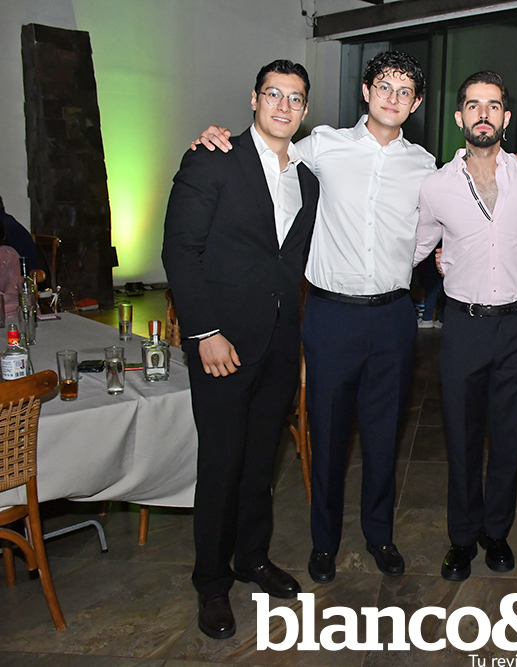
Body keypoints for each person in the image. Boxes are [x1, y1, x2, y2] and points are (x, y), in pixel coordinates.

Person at [194, 51, 437, 584]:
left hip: (394, 316)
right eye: (383, 86)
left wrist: (401, 263)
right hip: (330, 315)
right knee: (326, 435)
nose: (392, 98)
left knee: (384, 436)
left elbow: (430, 228)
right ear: (366, 92)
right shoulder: (323, 145)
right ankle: (324, 543)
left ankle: (380, 535)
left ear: (416, 103)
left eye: (404, 91)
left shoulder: (424, 165)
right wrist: (217, 137)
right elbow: (267, 153)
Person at [162, 59, 319, 640]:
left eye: (295, 98)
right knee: (221, 465)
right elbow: (180, 250)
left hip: (278, 342)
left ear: (305, 110)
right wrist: (204, 332)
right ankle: (211, 582)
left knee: (259, 464)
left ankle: (251, 558)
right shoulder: (213, 157)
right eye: (273, 94)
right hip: (221, 343)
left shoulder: (307, 179)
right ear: (254, 99)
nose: (283, 105)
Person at [414, 71, 517, 581]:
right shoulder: (436, 186)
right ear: (460, 117)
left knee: (508, 434)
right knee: (462, 436)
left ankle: (496, 532)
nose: (483, 114)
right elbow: (415, 246)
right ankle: (462, 538)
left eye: (493, 105)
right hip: (464, 326)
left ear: (506, 117)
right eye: (473, 105)